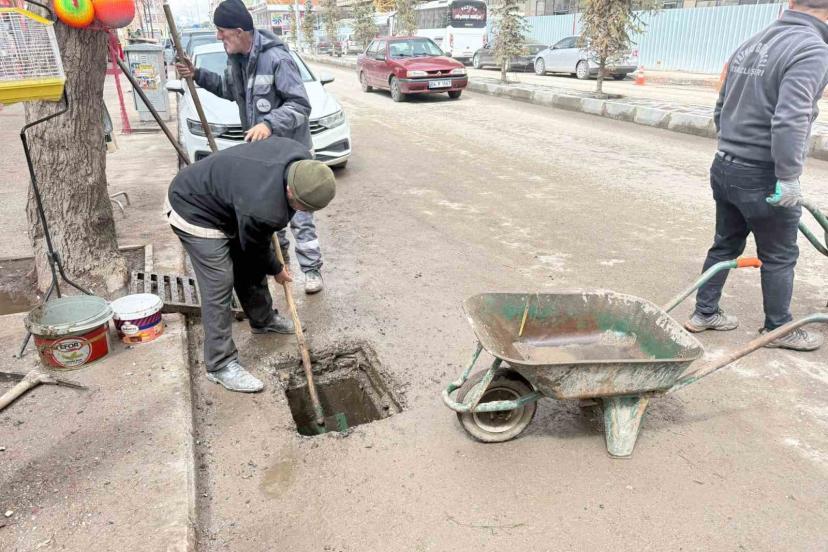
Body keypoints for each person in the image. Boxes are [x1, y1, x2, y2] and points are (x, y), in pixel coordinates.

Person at [686, 0, 828, 351]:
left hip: (725, 165)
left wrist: (732, 147)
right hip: (763, 175)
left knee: (725, 244)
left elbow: (721, 105)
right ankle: (777, 329)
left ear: (791, 3)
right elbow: (791, 119)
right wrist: (789, 177)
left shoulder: (752, 42)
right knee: (779, 255)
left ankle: (704, 312)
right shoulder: (812, 49)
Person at [175, 0, 327, 295]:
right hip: (264, 159)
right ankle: (281, 264)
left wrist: (269, 123)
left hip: (291, 156)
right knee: (271, 215)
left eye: (222, 31)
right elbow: (228, 89)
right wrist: (197, 75)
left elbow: (300, 105)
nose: (218, 36)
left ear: (239, 30)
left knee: (300, 215)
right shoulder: (237, 60)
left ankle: (311, 269)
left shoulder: (277, 59)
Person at [164, 137, 336, 392]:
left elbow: (252, 249)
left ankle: (263, 320)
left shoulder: (299, 156)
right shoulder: (264, 207)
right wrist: (276, 269)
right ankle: (220, 364)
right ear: (290, 191)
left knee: (248, 265)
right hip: (194, 208)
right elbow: (256, 247)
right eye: (301, 207)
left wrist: (271, 265)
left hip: (232, 201)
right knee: (219, 281)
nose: (300, 213)